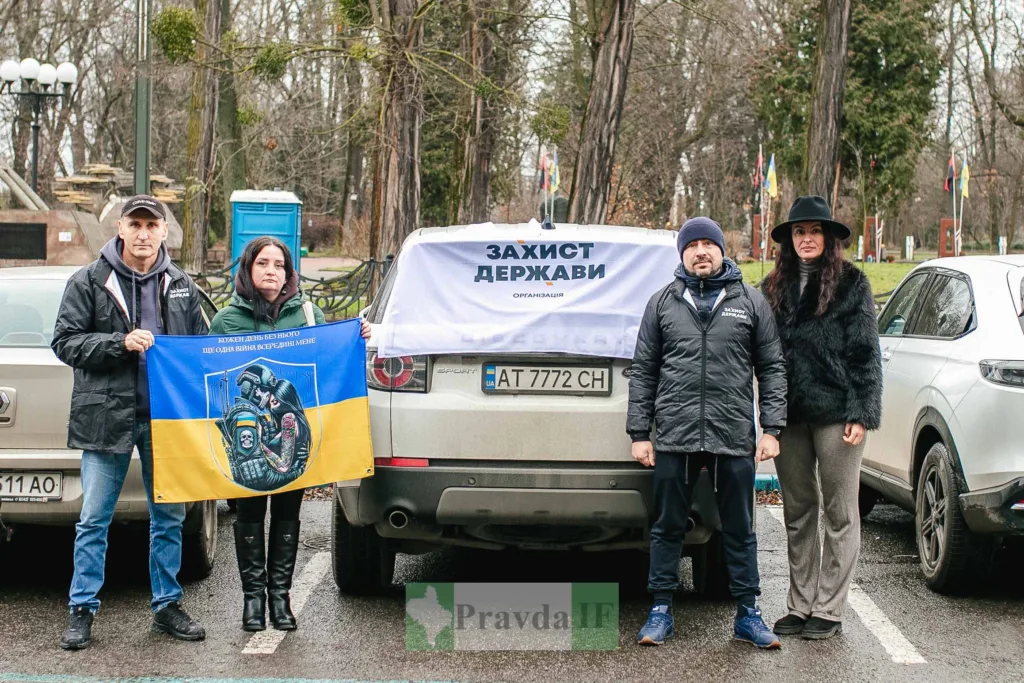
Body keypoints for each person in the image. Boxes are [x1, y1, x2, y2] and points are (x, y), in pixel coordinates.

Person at [53, 195, 208, 650]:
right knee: (93, 520)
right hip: (106, 418)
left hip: (166, 423)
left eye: (151, 225)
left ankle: (167, 606)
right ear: (120, 228)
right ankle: (82, 609)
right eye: (135, 224)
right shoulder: (89, 280)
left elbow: (202, 347)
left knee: (169, 518)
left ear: (163, 232)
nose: (143, 233)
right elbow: (65, 342)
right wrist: (118, 343)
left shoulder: (181, 285)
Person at [629, 217, 788, 649]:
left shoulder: (750, 302)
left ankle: (748, 614)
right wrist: (639, 432)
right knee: (667, 526)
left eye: (708, 244)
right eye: (692, 245)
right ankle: (660, 610)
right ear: (682, 254)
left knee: (739, 528)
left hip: (732, 435)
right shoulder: (662, 302)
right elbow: (643, 370)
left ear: (721, 250)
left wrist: (772, 428)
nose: (701, 251)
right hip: (675, 436)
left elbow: (772, 367)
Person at [209, 236, 370, 632]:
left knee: (287, 514)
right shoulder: (226, 321)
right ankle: (252, 600)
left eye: (279, 265)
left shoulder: (309, 315)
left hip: (291, 438)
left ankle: (280, 598)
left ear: (289, 273)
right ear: (248, 269)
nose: (271, 271)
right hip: (247, 442)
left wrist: (357, 336)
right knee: (249, 513)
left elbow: (330, 361)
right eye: (263, 263)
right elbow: (205, 374)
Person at [762, 196, 883, 640]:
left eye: (815, 231)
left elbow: (866, 354)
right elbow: (759, 350)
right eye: (800, 231)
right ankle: (800, 604)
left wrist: (862, 412)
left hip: (837, 414)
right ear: (789, 239)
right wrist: (767, 416)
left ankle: (829, 608)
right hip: (789, 415)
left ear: (828, 238)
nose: (807, 239)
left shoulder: (852, 284)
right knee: (798, 510)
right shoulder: (771, 288)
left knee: (840, 511)